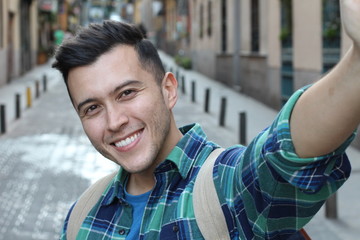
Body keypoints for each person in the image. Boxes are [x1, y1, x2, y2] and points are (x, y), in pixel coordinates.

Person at [52, 0, 360, 239]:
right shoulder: (82, 217)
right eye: (92, 108)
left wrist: (356, 63)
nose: (114, 121)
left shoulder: (226, 187)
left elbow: (282, 156)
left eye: (127, 93)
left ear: (168, 90)